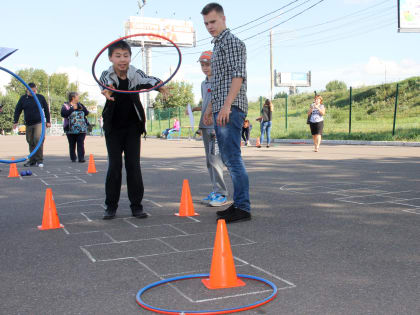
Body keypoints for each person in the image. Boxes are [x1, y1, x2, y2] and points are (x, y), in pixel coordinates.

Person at [99, 40, 169, 220]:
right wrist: (107, 92)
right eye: (118, 56)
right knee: (114, 166)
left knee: (133, 166)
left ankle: (136, 206)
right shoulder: (107, 75)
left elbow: (149, 79)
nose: (122, 60)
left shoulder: (134, 73)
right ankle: (111, 206)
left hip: (132, 127)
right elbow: (104, 83)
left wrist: (160, 86)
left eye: (126, 55)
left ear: (130, 57)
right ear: (110, 58)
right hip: (113, 127)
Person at [202, 3, 251, 223]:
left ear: (223, 18)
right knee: (229, 159)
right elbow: (218, 82)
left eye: (213, 21)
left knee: (232, 159)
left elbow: (237, 76)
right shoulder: (218, 45)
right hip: (222, 107)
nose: (209, 26)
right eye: (206, 23)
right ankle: (239, 204)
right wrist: (211, 107)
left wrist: (226, 106)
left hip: (230, 109)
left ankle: (243, 207)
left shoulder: (231, 42)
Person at [188, 50, 228, 207]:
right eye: (203, 65)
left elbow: (221, 103)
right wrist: (196, 110)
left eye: (208, 64)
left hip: (215, 127)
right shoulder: (204, 83)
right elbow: (206, 104)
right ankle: (215, 190)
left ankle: (222, 193)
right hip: (205, 126)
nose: (205, 67)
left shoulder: (220, 82)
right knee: (209, 161)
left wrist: (215, 124)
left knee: (215, 159)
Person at [13, 82, 51, 167]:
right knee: (30, 141)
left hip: (39, 123)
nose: (34, 92)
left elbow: (46, 109)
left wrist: (48, 121)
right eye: (32, 91)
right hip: (29, 124)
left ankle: (39, 160)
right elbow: (17, 110)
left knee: (38, 140)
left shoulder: (40, 97)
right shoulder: (23, 98)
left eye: (35, 90)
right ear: (27, 90)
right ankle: (32, 160)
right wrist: (15, 121)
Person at [61, 92, 89, 163]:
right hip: (70, 129)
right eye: (77, 96)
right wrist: (72, 109)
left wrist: (81, 108)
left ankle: (81, 158)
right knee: (72, 143)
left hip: (81, 128)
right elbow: (63, 114)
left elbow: (86, 113)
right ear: (73, 98)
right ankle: (73, 157)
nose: (78, 98)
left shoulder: (80, 105)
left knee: (80, 143)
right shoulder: (66, 105)